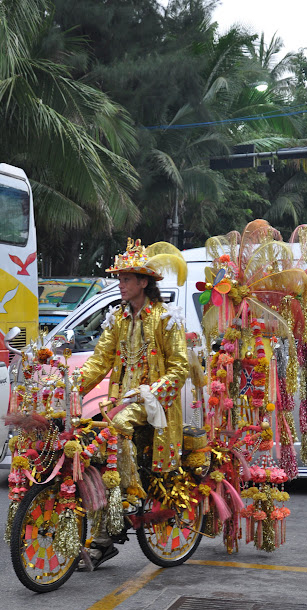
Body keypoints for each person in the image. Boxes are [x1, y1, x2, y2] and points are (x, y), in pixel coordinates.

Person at [78, 238, 189, 569]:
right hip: (117, 402)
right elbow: (99, 363)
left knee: (117, 426)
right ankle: (101, 538)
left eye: (127, 279)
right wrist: (69, 385)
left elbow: (180, 368)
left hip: (153, 404)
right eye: (120, 279)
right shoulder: (117, 320)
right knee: (90, 448)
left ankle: (134, 494)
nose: (121, 285)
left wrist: (152, 391)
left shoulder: (166, 319)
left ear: (144, 282)